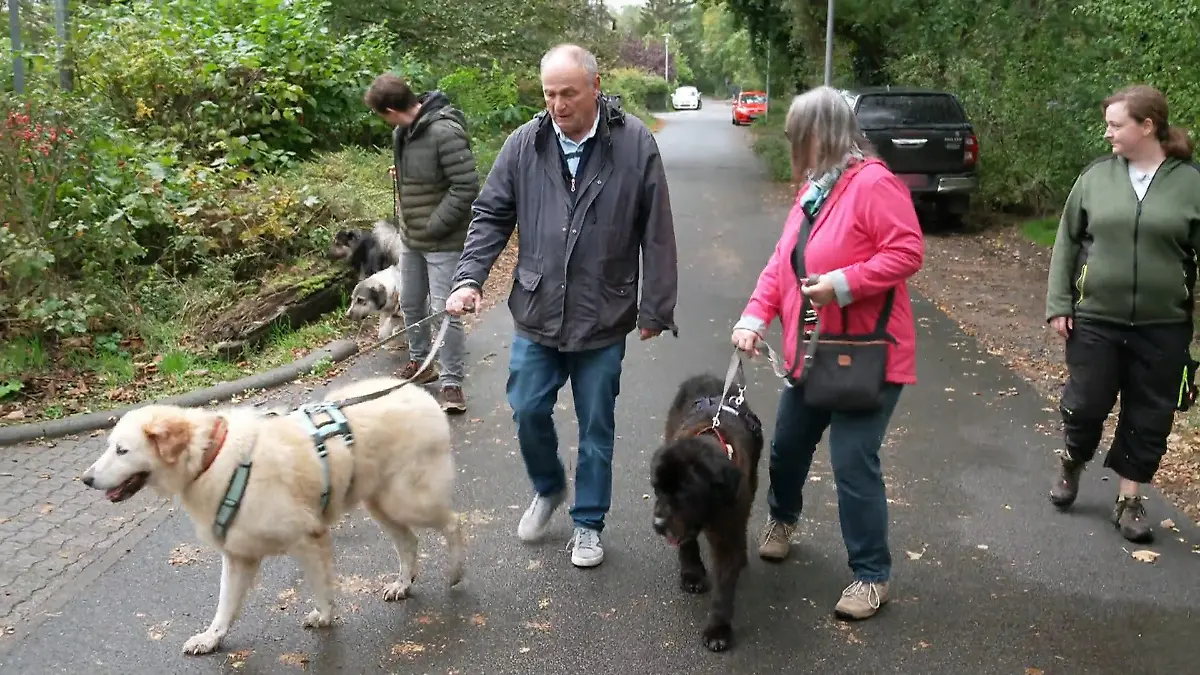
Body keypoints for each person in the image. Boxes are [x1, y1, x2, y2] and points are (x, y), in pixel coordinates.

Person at [445, 44, 678, 568]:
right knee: (527, 407)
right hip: (538, 306)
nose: (557, 104)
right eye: (549, 93)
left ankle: (589, 523)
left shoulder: (633, 142)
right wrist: (468, 279)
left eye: (568, 93)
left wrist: (656, 306)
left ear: (595, 87)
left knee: (598, 424)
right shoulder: (526, 143)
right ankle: (548, 487)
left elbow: (657, 229)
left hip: (603, 309)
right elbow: (490, 215)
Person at [729, 86, 924, 620]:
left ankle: (871, 575)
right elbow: (782, 262)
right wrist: (754, 316)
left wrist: (844, 282)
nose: (793, 143)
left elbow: (907, 251)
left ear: (824, 133)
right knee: (789, 445)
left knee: (852, 461)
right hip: (810, 351)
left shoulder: (874, 184)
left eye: (799, 134)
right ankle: (783, 518)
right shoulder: (814, 189)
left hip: (867, 355)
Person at [1044, 83, 1200, 543]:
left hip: (1164, 325)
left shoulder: (1191, 183)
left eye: (1116, 124)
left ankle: (1130, 500)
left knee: (1150, 414)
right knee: (1086, 403)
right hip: (1095, 319)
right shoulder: (1096, 177)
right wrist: (1059, 304)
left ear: (1146, 126)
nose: (1108, 133)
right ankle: (1073, 460)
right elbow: (1067, 242)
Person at [364, 73, 480, 414]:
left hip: (443, 239)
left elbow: (467, 186)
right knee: (412, 303)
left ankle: (452, 383)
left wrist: (435, 224)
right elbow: (427, 176)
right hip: (411, 236)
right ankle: (421, 362)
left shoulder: (445, 131)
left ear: (389, 108)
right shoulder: (401, 132)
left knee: (446, 310)